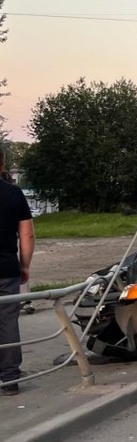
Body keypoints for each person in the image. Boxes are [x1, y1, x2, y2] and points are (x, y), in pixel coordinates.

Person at [0, 165, 34, 395]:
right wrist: (24, 265)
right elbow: (27, 234)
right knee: (7, 322)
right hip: (6, 269)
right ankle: (10, 378)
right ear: (2, 165)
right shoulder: (13, 193)